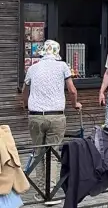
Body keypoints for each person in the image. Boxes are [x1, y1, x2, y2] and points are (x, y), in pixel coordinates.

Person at [18, 41, 76, 184]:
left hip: (35, 116)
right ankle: (49, 192)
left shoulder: (32, 68)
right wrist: (75, 104)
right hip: (56, 116)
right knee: (53, 153)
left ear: (43, 52)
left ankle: (40, 190)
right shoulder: (63, 66)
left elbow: (25, 91)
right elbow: (72, 90)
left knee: (38, 152)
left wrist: (25, 105)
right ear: (57, 52)